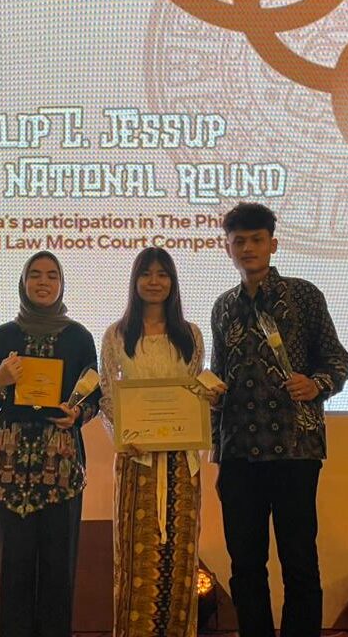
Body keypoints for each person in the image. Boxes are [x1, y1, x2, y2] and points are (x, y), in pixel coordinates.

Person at [210, 203, 348, 637]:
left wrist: (317, 383)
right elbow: (219, 379)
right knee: (245, 566)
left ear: (273, 244)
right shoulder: (223, 307)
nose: (247, 248)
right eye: (238, 241)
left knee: (299, 561)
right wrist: (214, 442)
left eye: (256, 239)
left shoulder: (304, 296)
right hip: (238, 455)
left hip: (294, 449)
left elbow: (337, 360)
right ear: (228, 248)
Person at [0, 251, 101, 637]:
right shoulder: (1, 337)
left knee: (58, 570)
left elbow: (93, 397)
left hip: (60, 463)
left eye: (51, 275)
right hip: (10, 464)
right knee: (13, 568)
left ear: (61, 283)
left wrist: (77, 414)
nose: (43, 282)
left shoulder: (79, 337)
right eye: (35, 275)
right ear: (23, 282)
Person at [99, 247, 222, 637]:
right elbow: (107, 396)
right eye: (146, 274)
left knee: (180, 558)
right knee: (136, 560)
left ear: (173, 282)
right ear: (135, 281)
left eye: (162, 274)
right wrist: (124, 436)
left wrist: (208, 397)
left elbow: (195, 390)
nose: (154, 282)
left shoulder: (191, 335)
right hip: (137, 462)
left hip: (183, 463)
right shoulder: (117, 335)